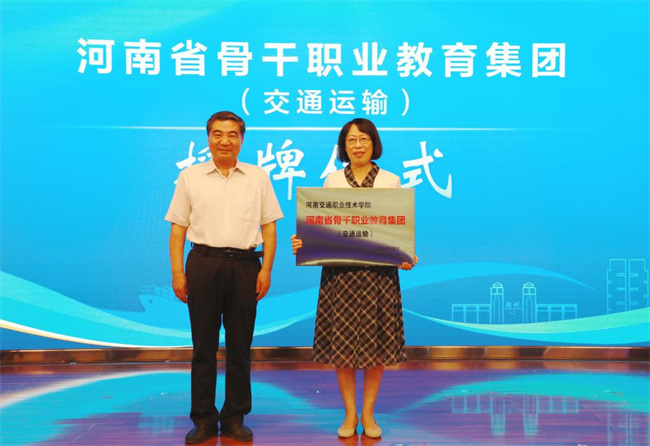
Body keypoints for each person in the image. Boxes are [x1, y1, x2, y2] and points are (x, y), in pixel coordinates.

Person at [291, 118, 416, 439]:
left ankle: (369, 414)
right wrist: (305, 241)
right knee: (343, 350)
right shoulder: (332, 180)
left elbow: (397, 229)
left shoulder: (390, 180)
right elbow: (322, 225)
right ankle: (349, 413)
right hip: (341, 277)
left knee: (376, 350)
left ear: (374, 143)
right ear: (343, 147)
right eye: (351, 140)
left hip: (379, 277)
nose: (358, 145)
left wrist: (406, 255)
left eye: (363, 139)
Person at [165, 111, 283, 444]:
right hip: (203, 263)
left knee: (239, 346)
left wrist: (266, 269)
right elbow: (178, 229)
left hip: (245, 265)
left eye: (232, 134)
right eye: (217, 134)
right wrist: (178, 272)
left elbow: (269, 227)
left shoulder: (258, 177)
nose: (225, 141)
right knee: (203, 346)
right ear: (208, 138)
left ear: (242, 140)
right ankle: (203, 418)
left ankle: (234, 417)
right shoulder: (190, 177)